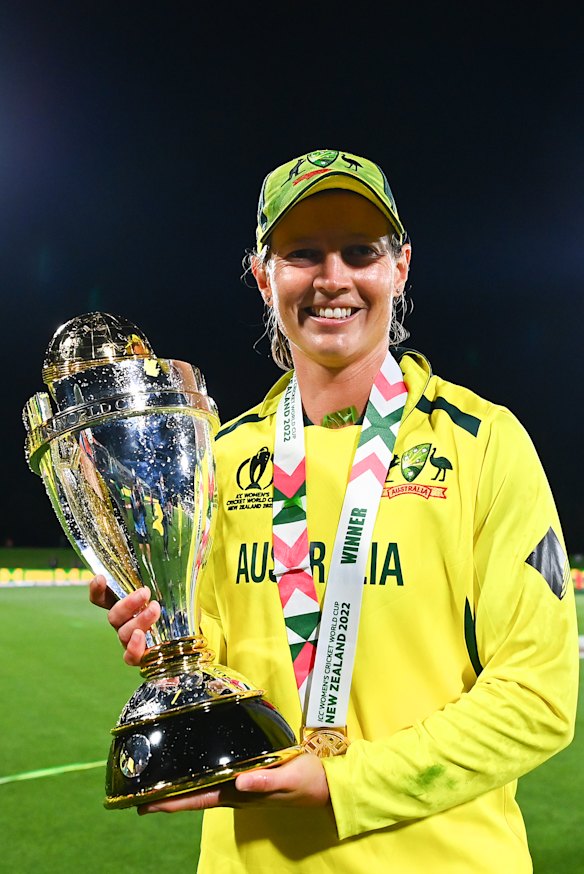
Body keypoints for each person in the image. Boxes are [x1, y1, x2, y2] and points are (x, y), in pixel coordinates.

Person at [90, 149, 579, 873]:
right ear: (263, 277)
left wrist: (343, 783)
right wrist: (161, 629)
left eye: (359, 252)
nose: (333, 280)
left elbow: (537, 698)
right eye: (302, 254)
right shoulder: (215, 462)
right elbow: (214, 650)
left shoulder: (484, 446)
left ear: (400, 268)